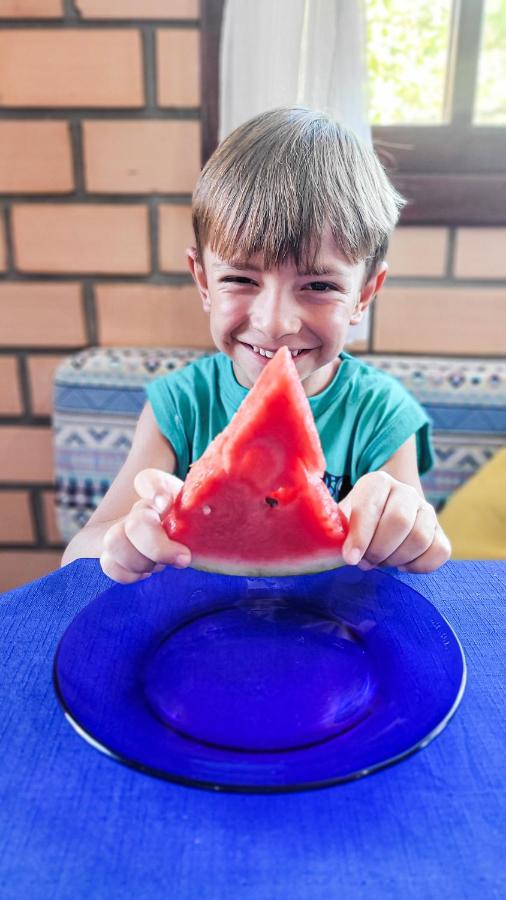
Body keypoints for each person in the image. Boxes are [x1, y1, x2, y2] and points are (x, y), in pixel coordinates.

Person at [61, 107, 451, 581]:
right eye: (241, 279)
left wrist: (409, 532)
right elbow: (78, 552)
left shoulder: (382, 414)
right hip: (200, 634)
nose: (275, 323)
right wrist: (125, 543)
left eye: (319, 286)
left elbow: (409, 558)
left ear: (364, 295)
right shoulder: (181, 405)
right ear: (203, 282)